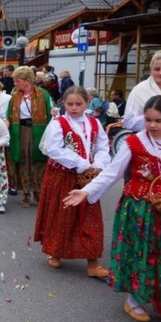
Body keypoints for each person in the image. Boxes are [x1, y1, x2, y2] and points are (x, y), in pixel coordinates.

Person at [64, 95, 161, 322]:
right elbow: (112, 172)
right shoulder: (134, 142)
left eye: (158, 120)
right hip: (138, 208)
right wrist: (87, 192)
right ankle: (134, 300)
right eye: (148, 120)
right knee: (139, 252)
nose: (151, 125)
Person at [35, 86, 111, 277]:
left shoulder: (94, 123)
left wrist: (99, 163)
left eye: (79, 104)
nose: (74, 108)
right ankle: (56, 251)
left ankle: (92, 261)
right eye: (70, 104)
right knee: (62, 214)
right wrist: (80, 163)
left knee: (90, 215)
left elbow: (103, 146)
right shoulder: (58, 123)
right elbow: (54, 149)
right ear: (64, 104)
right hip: (63, 176)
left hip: (87, 178)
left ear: (87, 103)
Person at [6, 66, 54, 208]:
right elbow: (9, 114)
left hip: (38, 131)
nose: (15, 83)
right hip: (20, 131)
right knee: (23, 160)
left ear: (27, 81)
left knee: (37, 161)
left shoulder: (43, 94)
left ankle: (38, 193)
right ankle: (26, 193)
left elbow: (51, 111)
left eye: (17, 80)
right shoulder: (15, 95)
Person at [124, 49, 161, 133]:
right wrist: (156, 119)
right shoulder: (139, 90)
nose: (160, 73)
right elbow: (128, 121)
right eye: (156, 69)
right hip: (146, 141)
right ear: (151, 69)